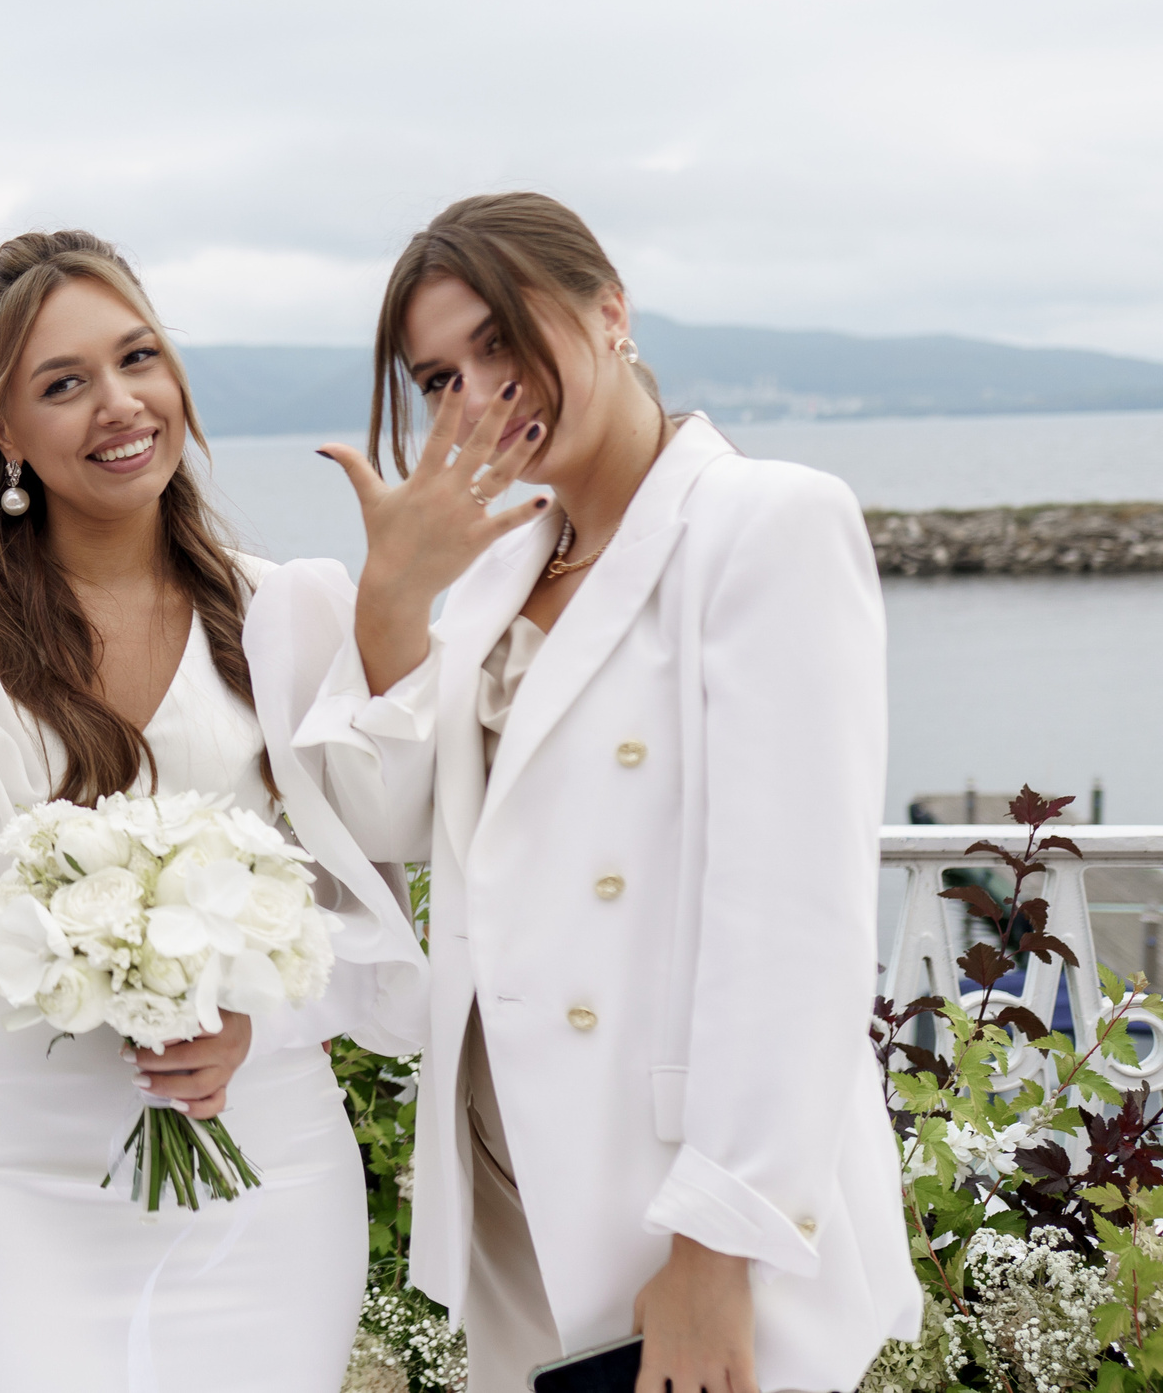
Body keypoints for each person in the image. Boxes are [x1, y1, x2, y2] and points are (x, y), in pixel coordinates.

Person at [0, 230, 429, 1393]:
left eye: (139, 358)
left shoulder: (287, 611)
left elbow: (368, 911)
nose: (121, 404)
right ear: (5, 433)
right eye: (62, 384)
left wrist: (256, 1023)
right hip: (28, 1183)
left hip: (269, 1177)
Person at [303, 193, 922, 1393]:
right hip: (515, 1180)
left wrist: (717, 1238)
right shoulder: (504, 564)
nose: (477, 398)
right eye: (438, 379)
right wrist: (392, 599)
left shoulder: (760, 523)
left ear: (610, 311)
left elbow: (794, 920)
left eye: (500, 342)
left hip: (673, 1202)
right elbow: (390, 827)